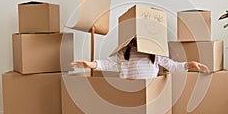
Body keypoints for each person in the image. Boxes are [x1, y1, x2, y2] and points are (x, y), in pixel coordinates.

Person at [71, 38, 210, 79]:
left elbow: (172, 66)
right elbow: (107, 63)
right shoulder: (125, 52)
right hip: (129, 92)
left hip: (149, 92)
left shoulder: (155, 54)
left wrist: (190, 65)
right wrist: (89, 64)